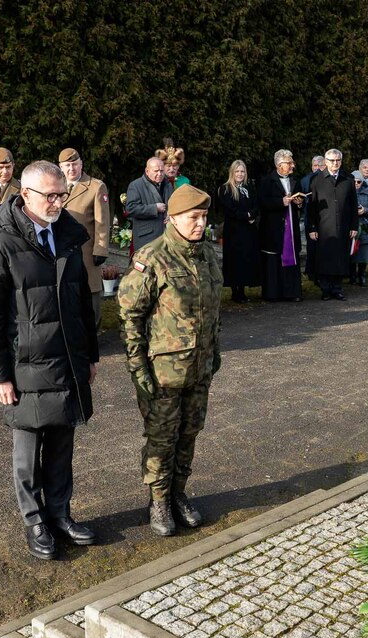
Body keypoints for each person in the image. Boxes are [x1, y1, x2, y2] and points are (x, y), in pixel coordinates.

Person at [0, 160, 99, 561]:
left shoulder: (67, 235)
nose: (58, 202)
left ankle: (60, 513)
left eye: (62, 195)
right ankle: (35, 521)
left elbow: (81, 301)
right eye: (50, 196)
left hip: (66, 360)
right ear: (25, 194)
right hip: (23, 365)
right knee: (27, 451)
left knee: (63, 443)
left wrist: (89, 355)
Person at [117, 184, 222, 537]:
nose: (200, 223)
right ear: (173, 219)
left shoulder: (207, 254)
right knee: (162, 437)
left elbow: (214, 310)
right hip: (163, 371)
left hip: (200, 366)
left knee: (190, 432)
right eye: (193, 217)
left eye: (204, 216)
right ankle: (158, 500)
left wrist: (215, 350)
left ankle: (179, 493)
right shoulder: (153, 257)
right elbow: (131, 317)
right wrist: (137, 368)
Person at [59, 148, 110, 328]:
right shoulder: (56, 186)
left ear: (81, 164)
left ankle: (93, 332)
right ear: (61, 167)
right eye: (67, 165)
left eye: (74, 164)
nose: (71, 169)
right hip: (61, 249)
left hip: (87, 249)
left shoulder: (96, 186)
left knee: (91, 290)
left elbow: (102, 221)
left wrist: (101, 249)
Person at [307, 148, 357, 300]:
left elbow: (353, 204)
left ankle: (337, 288)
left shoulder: (348, 179)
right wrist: (312, 227)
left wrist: (354, 226)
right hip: (324, 226)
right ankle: (325, 289)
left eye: (338, 160)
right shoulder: (317, 180)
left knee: (340, 258)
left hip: (343, 225)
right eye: (332, 160)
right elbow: (312, 206)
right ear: (326, 162)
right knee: (325, 259)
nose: (335, 163)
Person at [257, 150, 304, 302]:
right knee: (273, 261)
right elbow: (262, 203)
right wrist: (280, 202)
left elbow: (300, 200)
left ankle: (291, 292)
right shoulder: (266, 181)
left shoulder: (295, 181)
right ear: (279, 164)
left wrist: (299, 202)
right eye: (289, 163)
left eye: (292, 162)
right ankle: (272, 293)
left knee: (291, 258)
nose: (292, 166)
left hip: (290, 228)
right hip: (273, 228)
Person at [217, 160, 260, 303]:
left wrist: (252, 215)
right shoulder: (225, 189)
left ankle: (243, 289)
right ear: (232, 173)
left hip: (248, 230)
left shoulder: (249, 187)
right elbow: (230, 210)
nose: (240, 174)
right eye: (237, 171)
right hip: (234, 231)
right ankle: (235, 291)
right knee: (235, 260)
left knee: (246, 258)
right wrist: (246, 216)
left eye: (242, 171)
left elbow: (256, 204)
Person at [125, 157, 172, 249]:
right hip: (146, 238)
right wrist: (154, 208)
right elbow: (131, 209)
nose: (160, 174)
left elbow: (173, 203)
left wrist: (171, 213)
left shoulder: (168, 185)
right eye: (156, 171)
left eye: (162, 171)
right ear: (147, 171)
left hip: (166, 236)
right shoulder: (136, 185)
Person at [300, 155, 325, 280]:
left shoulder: (327, 180)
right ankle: (311, 272)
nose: (318, 169)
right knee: (311, 247)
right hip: (309, 217)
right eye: (315, 166)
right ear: (312, 167)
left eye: (321, 166)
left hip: (324, 218)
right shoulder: (305, 180)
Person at [350, 172, 368, 286]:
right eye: (354, 181)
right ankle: (352, 276)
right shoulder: (346, 192)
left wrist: (364, 210)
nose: (356, 184)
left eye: (359, 181)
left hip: (365, 225)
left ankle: (362, 275)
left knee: (364, 253)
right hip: (351, 226)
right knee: (351, 251)